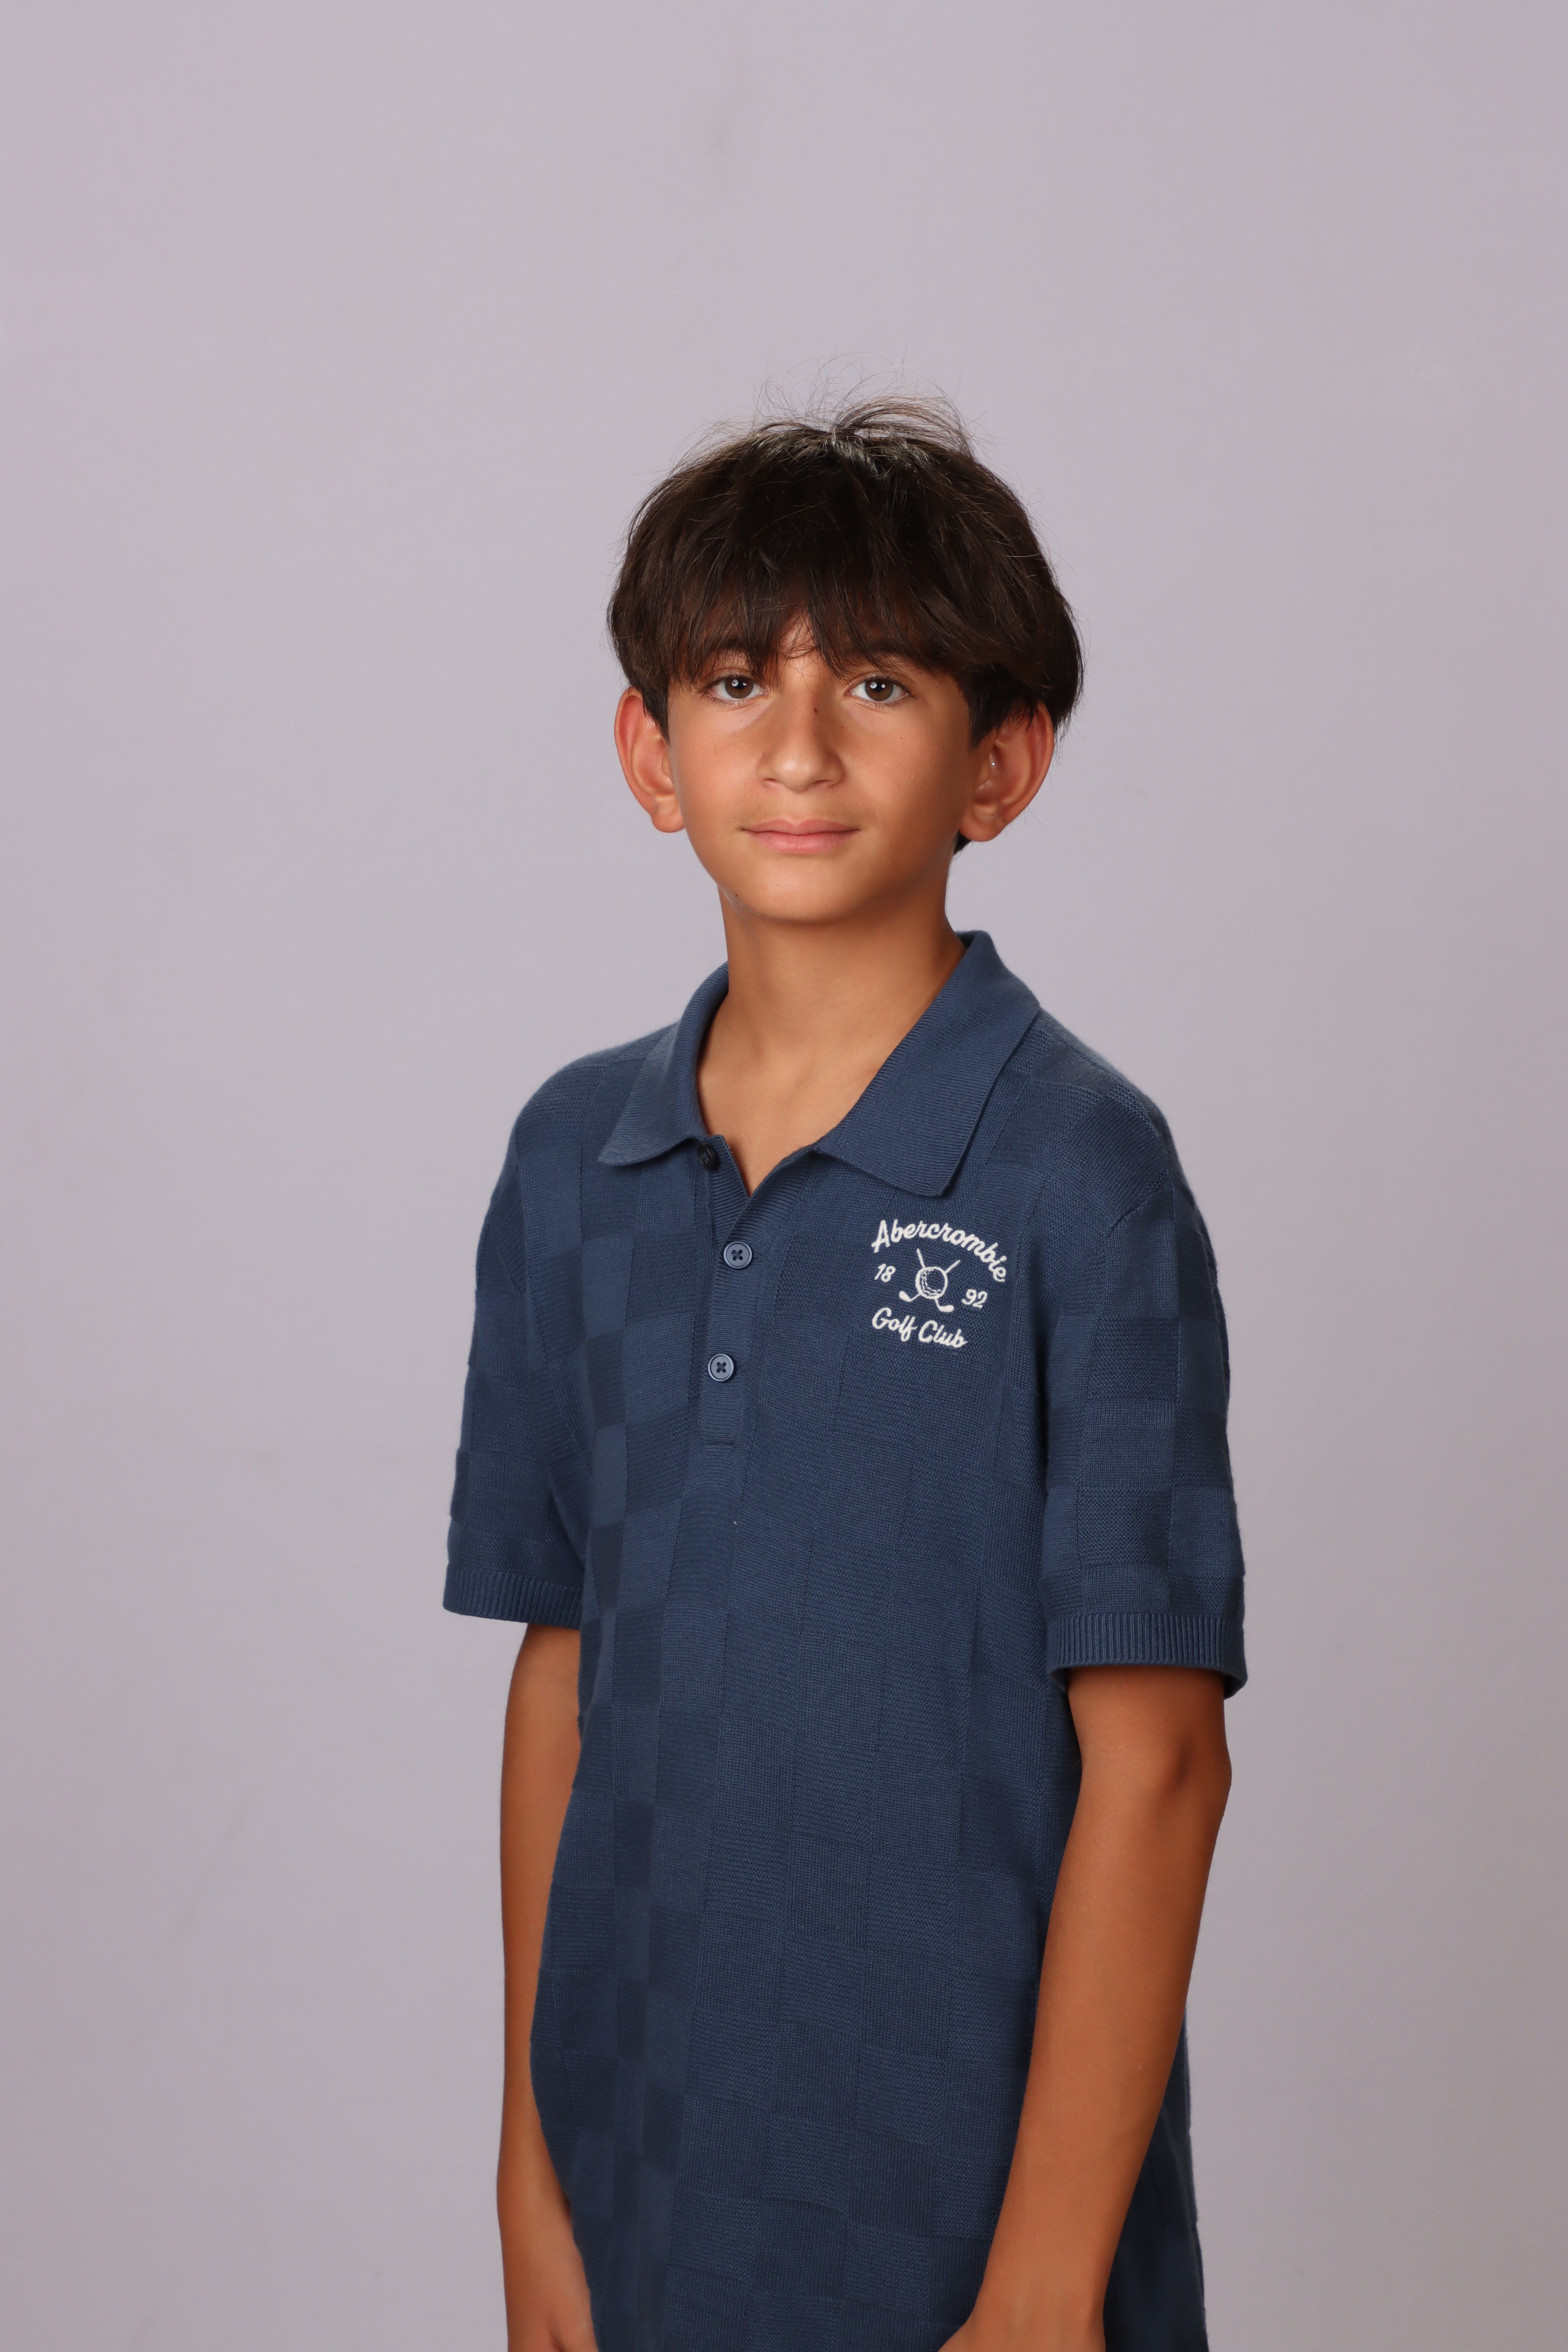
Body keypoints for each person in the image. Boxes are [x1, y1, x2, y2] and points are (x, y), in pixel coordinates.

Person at [444, 397, 1246, 2352]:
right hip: (640, 2198)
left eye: (876, 683)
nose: (797, 746)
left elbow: (1157, 1760)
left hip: (982, 2231)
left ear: (1001, 763)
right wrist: (531, 2176)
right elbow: (561, 1677)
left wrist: (1045, 2288)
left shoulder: (1079, 1171)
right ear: (652, 752)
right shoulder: (571, 1162)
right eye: (736, 682)